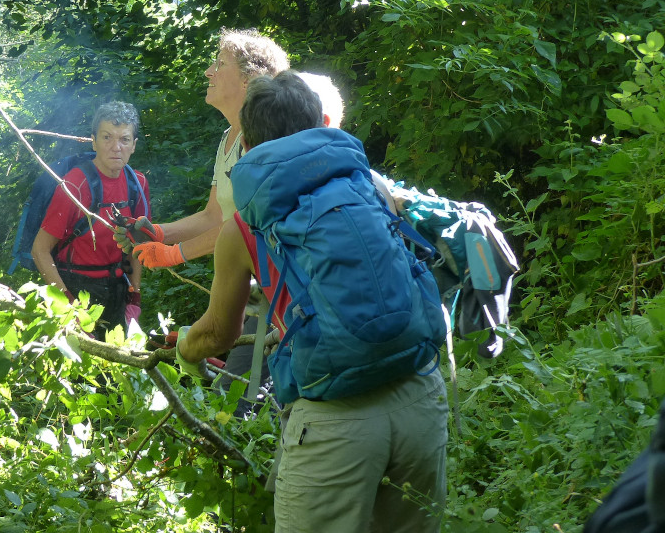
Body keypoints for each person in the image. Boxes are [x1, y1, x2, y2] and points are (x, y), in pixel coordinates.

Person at [176, 71, 448, 533]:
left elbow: (219, 333)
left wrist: (186, 350)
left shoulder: (243, 228)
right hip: (419, 393)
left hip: (334, 418)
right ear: (319, 124)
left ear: (248, 142)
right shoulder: (371, 186)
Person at [119, 29, 289, 269]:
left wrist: (173, 254)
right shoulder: (229, 136)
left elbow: (249, 224)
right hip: (256, 274)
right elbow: (214, 216)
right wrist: (159, 233)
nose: (208, 71)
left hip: (286, 275)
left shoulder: (266, 136)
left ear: (249, 79)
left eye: (221, 64)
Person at [32, 101, 150, 340]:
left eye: (124, 139)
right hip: (74, 287)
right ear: (93, 141)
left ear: (134, 145)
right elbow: (40, 250)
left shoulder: (137, 184)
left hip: (118, 288)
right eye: (107, 137)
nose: (116, 147)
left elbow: (137, 244)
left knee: (117, 360)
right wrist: (67, 305)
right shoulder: (75, 185)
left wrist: (134, 296)